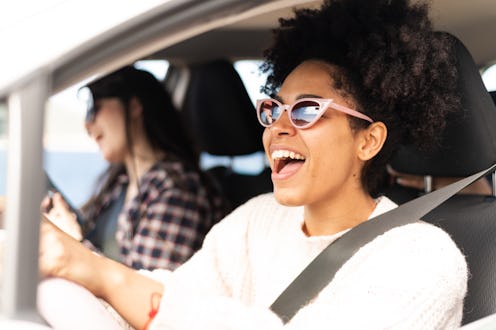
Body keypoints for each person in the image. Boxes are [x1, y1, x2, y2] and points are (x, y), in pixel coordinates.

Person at [38, 0, 468, 329]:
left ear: (369, 140)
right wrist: (65, 261)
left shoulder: (423, 257)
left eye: (306, 111)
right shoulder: (254, 221)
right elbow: (172, 294)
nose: (277, 127)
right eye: (273, 109)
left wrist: (105, 275)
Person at [42, 66, 228, 271]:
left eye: (94, 107)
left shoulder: (177, 189)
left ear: (133, 106)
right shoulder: (122, 182)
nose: (87, 124)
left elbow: (148, 293)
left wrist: (72, 245)